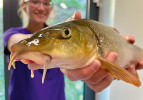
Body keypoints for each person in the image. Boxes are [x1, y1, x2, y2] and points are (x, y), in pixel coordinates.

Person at [3, 0, 143, 100]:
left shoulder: (62, 31)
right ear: (24, 5)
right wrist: (29, 44)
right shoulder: (11, 32)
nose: (41, 7)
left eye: (46, 3)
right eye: (35, 2)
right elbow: (14, 41)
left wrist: (114, 71)